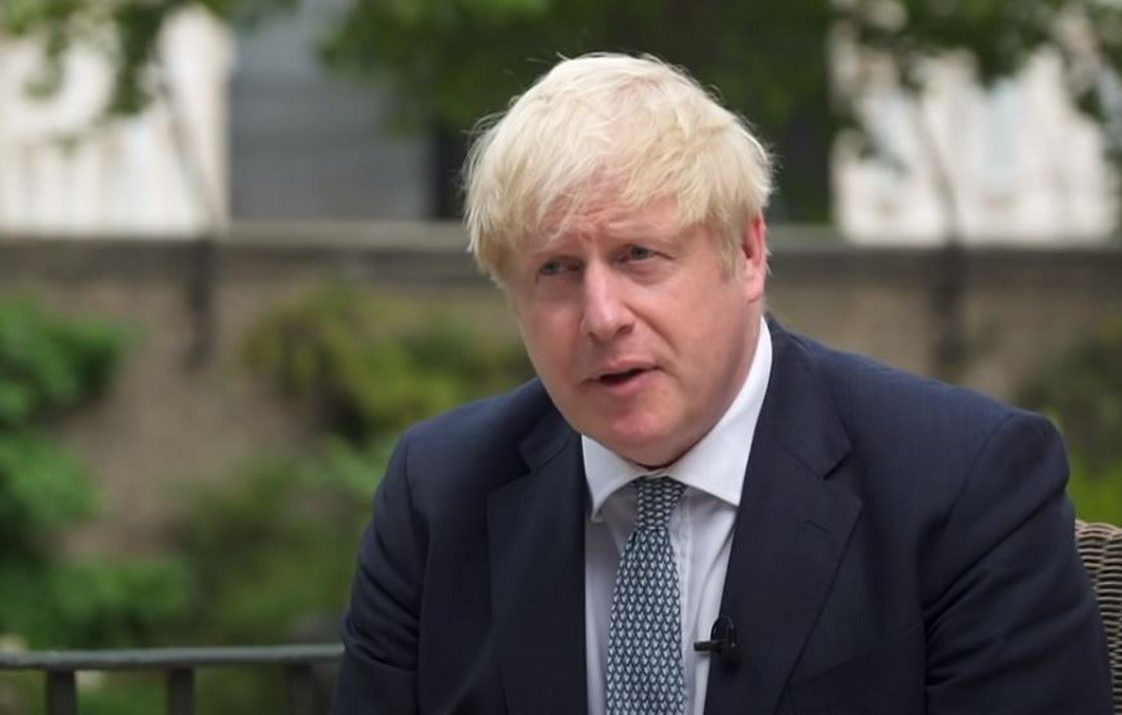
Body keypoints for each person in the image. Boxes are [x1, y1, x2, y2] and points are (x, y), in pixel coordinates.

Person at [330, 53, 1113, 714]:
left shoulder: (965, 485)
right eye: (557, 270)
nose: (602, 316)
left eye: (639, 255)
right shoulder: (438, 496)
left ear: (747, 253)